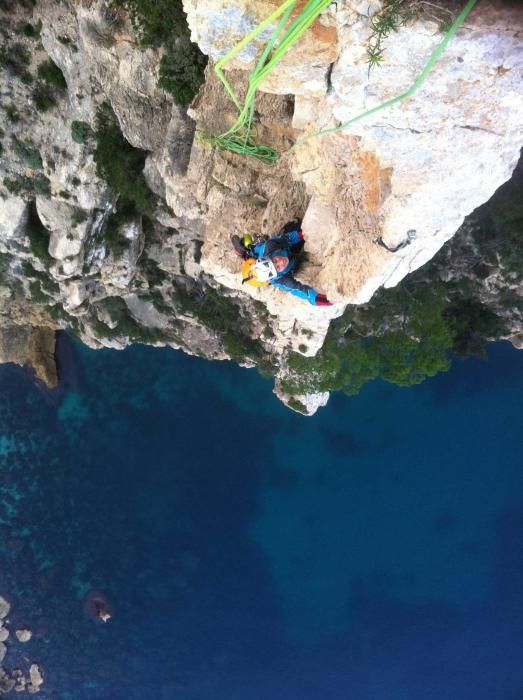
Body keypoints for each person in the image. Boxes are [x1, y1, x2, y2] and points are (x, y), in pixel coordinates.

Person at [231, 221, 332, 306]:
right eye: (278, 267)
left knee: (294, 226)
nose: (281, 262)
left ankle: (246, 252)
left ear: (269, 256)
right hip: (292, 261)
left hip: (275, 249)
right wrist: (320, 300)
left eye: (275, 261)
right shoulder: (280, 280)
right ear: (277, 274)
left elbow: (289, 238)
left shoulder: (271, 246)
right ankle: (247, 253)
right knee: (295, 258)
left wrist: (304, 233)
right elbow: (299, 290)